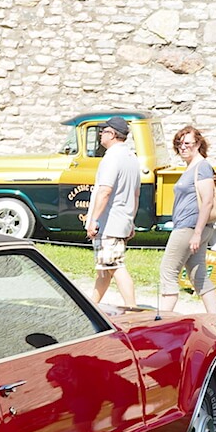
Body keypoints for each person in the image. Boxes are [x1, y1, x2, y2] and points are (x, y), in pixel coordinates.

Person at [160, 125, 216, 313]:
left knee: (168, 271)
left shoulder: (202, 167)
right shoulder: (193, 167)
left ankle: (161, 319)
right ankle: (215, 318)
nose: (182, 148)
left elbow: (208, 201)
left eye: (187, 143)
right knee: (198, 273)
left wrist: (197, 233)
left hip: (189, 227)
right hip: (192, 227)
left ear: (198, 143)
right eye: (179, 144)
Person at [84, 116, 139, 307]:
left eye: (104, 131)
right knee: (105, 267)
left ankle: (132, 309)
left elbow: (105, 190)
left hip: (110, 221)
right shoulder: (132, 158)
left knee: (115, 266)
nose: (101, 134)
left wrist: (94, 220)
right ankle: (92, 306)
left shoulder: (112, 157)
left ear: (113, 134)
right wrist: (131, 220)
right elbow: (136, 194)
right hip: (122, 220)